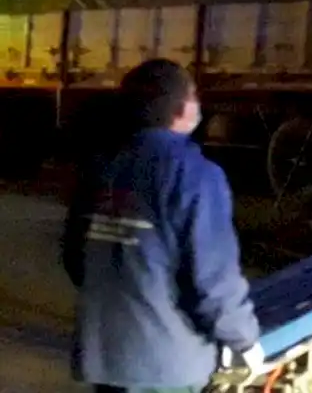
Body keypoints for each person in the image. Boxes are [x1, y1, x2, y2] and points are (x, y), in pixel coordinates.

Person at [61, 58, 263, 393]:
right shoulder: (194, 175)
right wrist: (244, 340)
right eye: (195, 96)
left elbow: (75, 259)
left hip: (105, 358)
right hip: (167, 364)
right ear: (182, 108)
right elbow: (213, 279)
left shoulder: (101, 167)